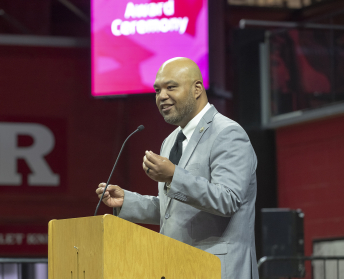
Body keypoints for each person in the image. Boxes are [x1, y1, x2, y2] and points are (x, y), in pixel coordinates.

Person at [96, 57, 259, 279]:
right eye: (157, 90)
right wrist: (128, 202)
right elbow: (174, 210)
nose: (162, 96)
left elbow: (227, 199)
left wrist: (173, 175)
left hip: (217, 269)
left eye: (171, 87)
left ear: (197, 89)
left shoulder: (228, 133)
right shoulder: (170, 141)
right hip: (177, 266)